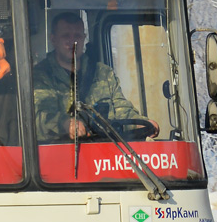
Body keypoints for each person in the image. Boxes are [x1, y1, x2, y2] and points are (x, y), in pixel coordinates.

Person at [33, 12, 156, 142]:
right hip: (62, 155)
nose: (73, 41)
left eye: (77, 36)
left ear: (84, 38)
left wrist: (141, 123)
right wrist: (66, 125)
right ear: (54, 40)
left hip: (105, 153)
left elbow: (121, 109)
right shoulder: (40, 76)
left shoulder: (103, 73)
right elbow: (40, 119)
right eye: (66, 36)